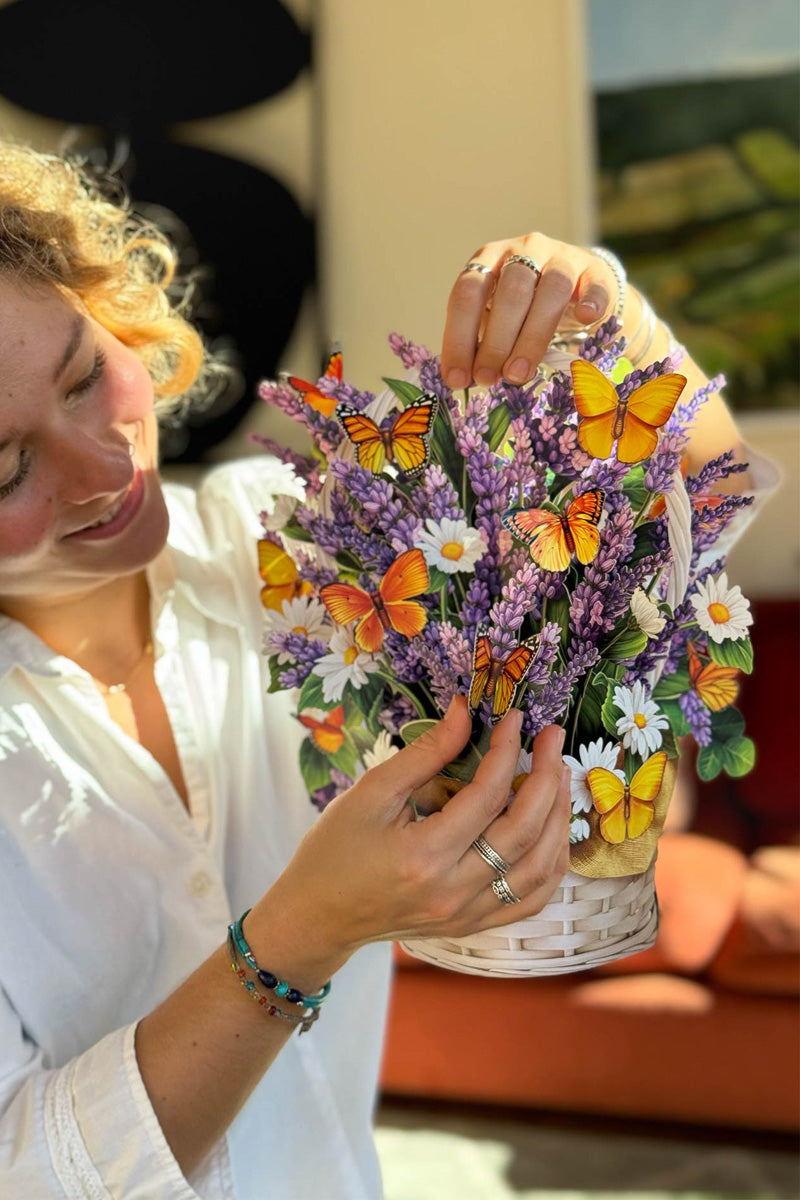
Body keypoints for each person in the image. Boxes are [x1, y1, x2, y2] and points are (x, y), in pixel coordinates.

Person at [0, 141, 760, 1200]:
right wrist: (300, 936)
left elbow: (705, 498)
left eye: (85, 376)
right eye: (7, 468)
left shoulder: (288, 546)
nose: (103, 466)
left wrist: (607, 314)